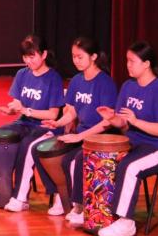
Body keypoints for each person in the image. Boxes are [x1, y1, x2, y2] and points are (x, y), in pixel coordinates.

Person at [96, 41, 158, 236]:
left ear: (146, 64)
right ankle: (99, 212)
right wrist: (112, 118)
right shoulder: (128, 86)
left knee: (130, 167)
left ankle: (126, 222)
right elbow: (124, 124)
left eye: (132, 61)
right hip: (135, 142)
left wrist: (135, 121)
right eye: (127, 60)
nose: (128, 65)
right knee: (101, 158)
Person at [0, 34, 63, 211]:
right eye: (25, 57)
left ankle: (20, 198)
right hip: (24, 123)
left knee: (26, 147)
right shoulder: (22, 74)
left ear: (44, 54)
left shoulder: (53, 78)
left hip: (45, 127)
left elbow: (53, 114)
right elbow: (18, 104)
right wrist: (10, 109)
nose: (28, 61)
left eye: (32, 56)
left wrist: (26, 110)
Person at [41, 37, 117, 222]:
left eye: (80, 57)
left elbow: (107, 122)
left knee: (74, 160)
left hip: (100, 136)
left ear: (94, 57)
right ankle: (65, 200)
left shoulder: (105, 83)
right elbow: (73, 111)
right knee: (48, 153)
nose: (76, 60)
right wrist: (58, 123)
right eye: (73, 56)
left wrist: (80, 136)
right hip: (82, 134)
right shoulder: (76, 80)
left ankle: (81, 207)